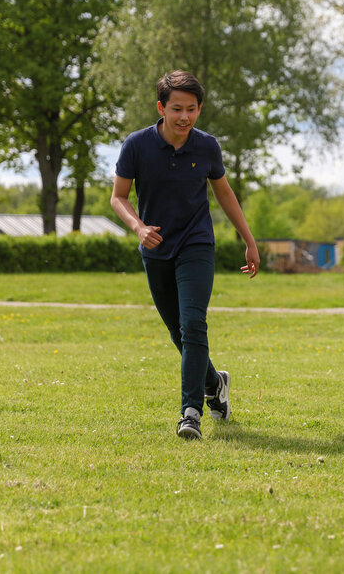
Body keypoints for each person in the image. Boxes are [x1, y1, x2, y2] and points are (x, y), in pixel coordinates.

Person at [111, 70, 260, 441]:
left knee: (194, 324)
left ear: (199, 109)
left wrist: (249, 239)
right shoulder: (136, 145)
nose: (184, 117)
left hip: (196, 245)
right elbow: (118, 197)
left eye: (192, 109)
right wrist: (138, 228)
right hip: (156, 248)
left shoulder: (207, 146)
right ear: (161, 108)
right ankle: (215, 382)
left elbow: (224, 193)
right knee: (179, 332)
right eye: (177, 109)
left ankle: (190, 412)